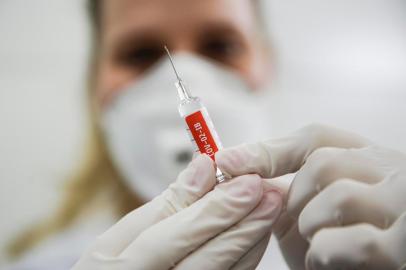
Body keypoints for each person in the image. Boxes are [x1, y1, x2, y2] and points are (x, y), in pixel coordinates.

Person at [8, 0, 406, 269]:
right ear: (95, 85)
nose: (183, 69)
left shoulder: (342, 241)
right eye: (140, 53)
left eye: (220, 45)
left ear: (268, 68)